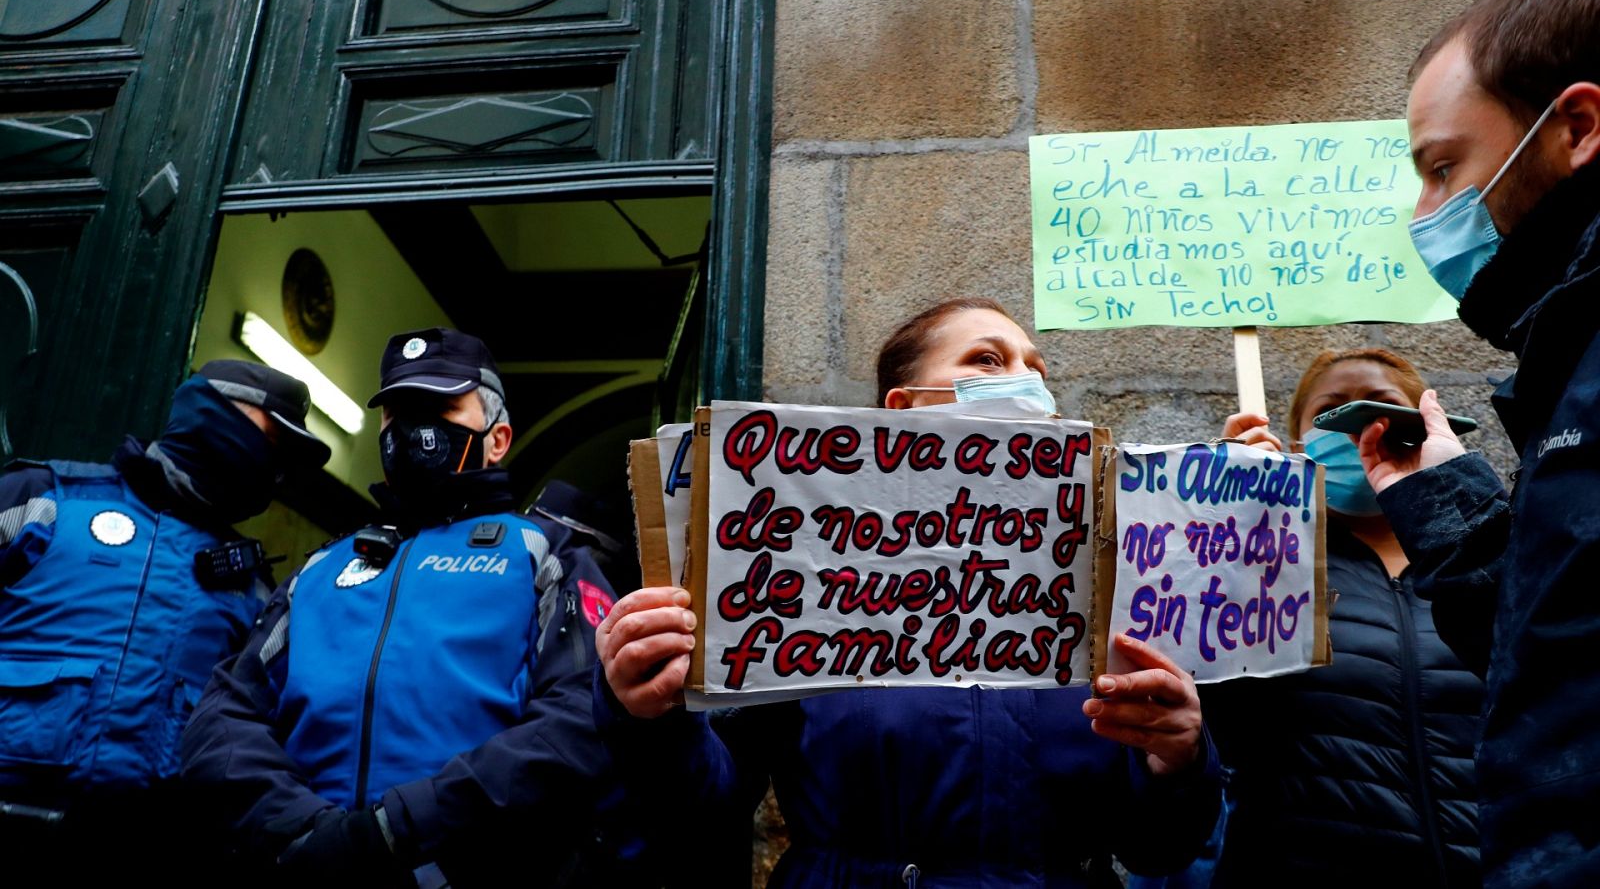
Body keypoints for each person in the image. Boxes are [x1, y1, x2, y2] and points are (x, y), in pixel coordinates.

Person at [595, 298, 1221, 887]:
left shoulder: (1102, 577)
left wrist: (1178, 761)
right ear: (901, 408)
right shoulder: (797, 574)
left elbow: (1156, 849)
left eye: (1036, 368)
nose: (1026, 380)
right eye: (987, 359)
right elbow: (700, 811)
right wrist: (652, 720)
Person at [181, 328, 620, 887]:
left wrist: (398, 828)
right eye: (397, 412)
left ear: (498, 438)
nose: (413, 428)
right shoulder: (322, 569)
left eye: (441, 408)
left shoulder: (545, 556)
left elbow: (585, 715)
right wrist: (301, 830)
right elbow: (222, 718)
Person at [1353, 0, 1600, 885]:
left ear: (1577, 128)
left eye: (1444, 167)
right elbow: (1551, 657)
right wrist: (1447, 506)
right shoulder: (1566, 358)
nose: (1426, 213)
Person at [0, 360, 330, 882]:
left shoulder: (252, 591)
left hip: (147, 855)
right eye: (272, 438)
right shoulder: (42, 500)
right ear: (216, 414)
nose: (276, 467)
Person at [1203, 349, 1483, 886]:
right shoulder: (1271, 567)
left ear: (1429, 426)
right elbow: (1216, 724)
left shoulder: (1481, 564)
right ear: (1297, 446)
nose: (1358, 427)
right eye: (1331, 412)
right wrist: (1231, 527)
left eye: (1382, 405)